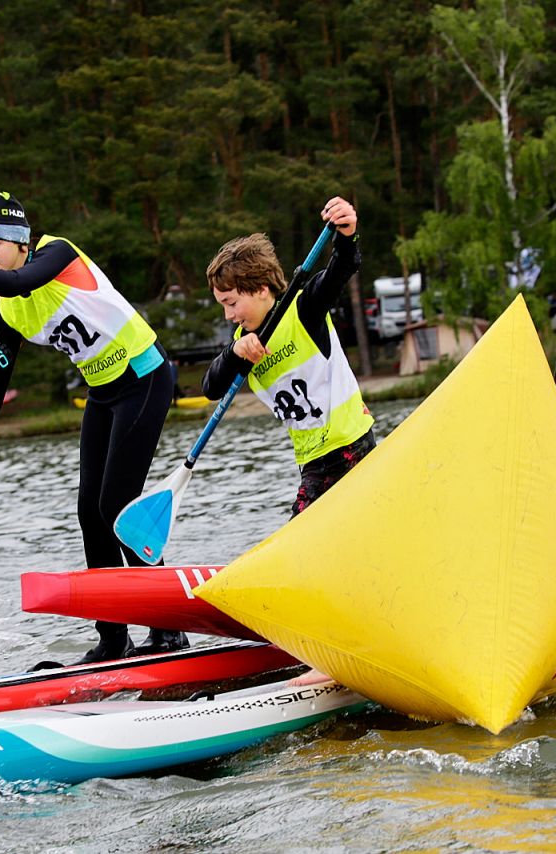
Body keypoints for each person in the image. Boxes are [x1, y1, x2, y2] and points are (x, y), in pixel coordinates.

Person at [0, 190, 189, 662]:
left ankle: (170, 627)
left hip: (145, 378)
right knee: (89, 512)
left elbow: (18, 282)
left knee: (116, 505)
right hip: (103, 392)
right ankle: (113, 638)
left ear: (18, 241)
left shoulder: (57, 254)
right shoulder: (7, 316)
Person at [200, 196, 372, 685]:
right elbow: (211, 385)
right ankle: (341, 644)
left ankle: (329, 657)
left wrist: (346, 233)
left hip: (347, 447)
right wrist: (235, 351)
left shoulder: (305, 308)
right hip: (314, 462)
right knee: (328, 552)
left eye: (232, 303)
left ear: (257, 289)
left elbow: (342, 267)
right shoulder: (244, 345)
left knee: (301, 556)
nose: (231, 314)